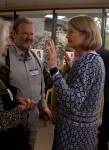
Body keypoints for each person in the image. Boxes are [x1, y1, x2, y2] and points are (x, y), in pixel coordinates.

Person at [48, 15, 105, 150]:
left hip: (73, 135)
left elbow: (72, 102)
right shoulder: (95, 59)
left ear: (86, 34)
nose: (67, 36)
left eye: (71, 32)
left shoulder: (86, 63)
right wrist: (73, 68)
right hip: (84, 133)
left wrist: (54, 69)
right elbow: (86, 91)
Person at [8, 17, 52, 150]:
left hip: (33, 116)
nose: (29, 37)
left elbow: (41, 84)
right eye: (25, 33)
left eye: (31, 34)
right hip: (13, 117)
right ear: (14, 34)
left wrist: (43, 106)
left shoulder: (35, 58)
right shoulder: (4, 57)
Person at [0, 18, 36, 150]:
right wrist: (20, 109)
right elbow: (2, 121)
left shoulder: (35, 57)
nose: (9, 43)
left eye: (31, 34)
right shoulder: (6, 60)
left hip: (28, 122)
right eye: (6, 38)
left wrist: (14, 99)